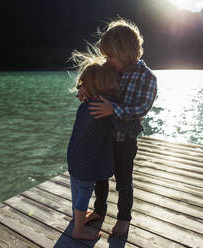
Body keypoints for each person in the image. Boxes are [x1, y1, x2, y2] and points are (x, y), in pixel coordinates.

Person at [78, 18, 158, 237]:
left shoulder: (147, 77)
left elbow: (141, 108)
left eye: (111, 56)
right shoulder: (108, 69)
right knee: (100, 177)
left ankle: (124, 219)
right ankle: (99, 210)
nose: (107, 60)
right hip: (102, 137)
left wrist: (113, 109)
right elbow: (91, 82)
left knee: (124, 181)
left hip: (125, 140)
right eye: (106, 56)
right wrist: (84, 89)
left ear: (126, 53)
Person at [67, 62, 119, 240]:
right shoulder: (103, 107)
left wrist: (81, 88)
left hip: (73, 154)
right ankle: (79, 230)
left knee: (76, 188)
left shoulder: (85, 101)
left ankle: (77, 218)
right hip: (87, 160)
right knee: (84, 191)